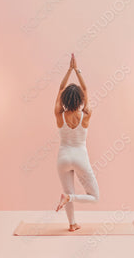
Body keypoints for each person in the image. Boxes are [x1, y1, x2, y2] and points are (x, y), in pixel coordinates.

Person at [54, 53, 99, 232]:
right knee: (94, 197)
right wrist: (77, 70)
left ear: (64, 99)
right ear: (80, 99)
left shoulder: (58, 114)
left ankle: (72, 224)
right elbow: (86, 89)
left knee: (67, 191)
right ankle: (69, 199)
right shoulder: (86, 114)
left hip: (63, 158)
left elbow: (60, 87)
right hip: (80, 157)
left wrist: (68, 70)